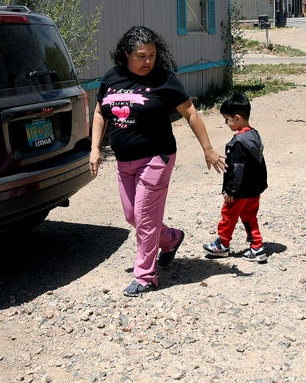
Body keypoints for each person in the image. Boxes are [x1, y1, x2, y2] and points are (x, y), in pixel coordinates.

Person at [89, 26, 226, 297]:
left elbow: (191, 114)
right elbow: (99, 113)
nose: (147, 61)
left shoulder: (164, 80)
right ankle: (171, 238)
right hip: (124, 161)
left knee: (145, 217)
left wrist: (208, 149)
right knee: (133, 216)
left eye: (152, 54)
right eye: (141, 55)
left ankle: (145, 276)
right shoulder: (111, 78)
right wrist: (94, 148)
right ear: (126, 53)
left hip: (156, 157)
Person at [203, 92, 269, 263]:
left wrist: (231, 190)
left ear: (237, 118)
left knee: (228, 215)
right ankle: (257, 246)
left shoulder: (238, 142)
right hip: (254, 188)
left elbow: (238, 170)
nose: (226, 123)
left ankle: (222, 244)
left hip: (239, 190)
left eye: (227, 119)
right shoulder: (254, 135)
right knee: (249, 216)